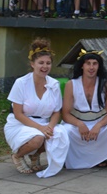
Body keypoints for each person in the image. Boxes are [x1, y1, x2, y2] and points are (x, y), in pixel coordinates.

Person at [4, 37, 69, 177]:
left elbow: (56, 112)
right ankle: (18, 155)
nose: (45, 66)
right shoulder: (21, 83)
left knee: (60, 135)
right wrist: (40, 128)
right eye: (41, 63)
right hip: (20, 124)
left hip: (44, 123)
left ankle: (35, 155)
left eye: (48, 63)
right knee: (38, 138)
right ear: (32, 64)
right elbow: (18, 114)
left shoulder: (54, 84)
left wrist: (50, 127)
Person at [61, 50, 107, 169]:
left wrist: (98, 126)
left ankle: (103, 157)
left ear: (99, 66)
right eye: (88, 63)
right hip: (78, 123)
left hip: (100, 122)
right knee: (65, 130)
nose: (91, 67)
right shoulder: (71, 84)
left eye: (95, 63)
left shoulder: (106, 84)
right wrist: (79, 124)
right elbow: (65, 114)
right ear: (82, 66)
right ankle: (71, 159)